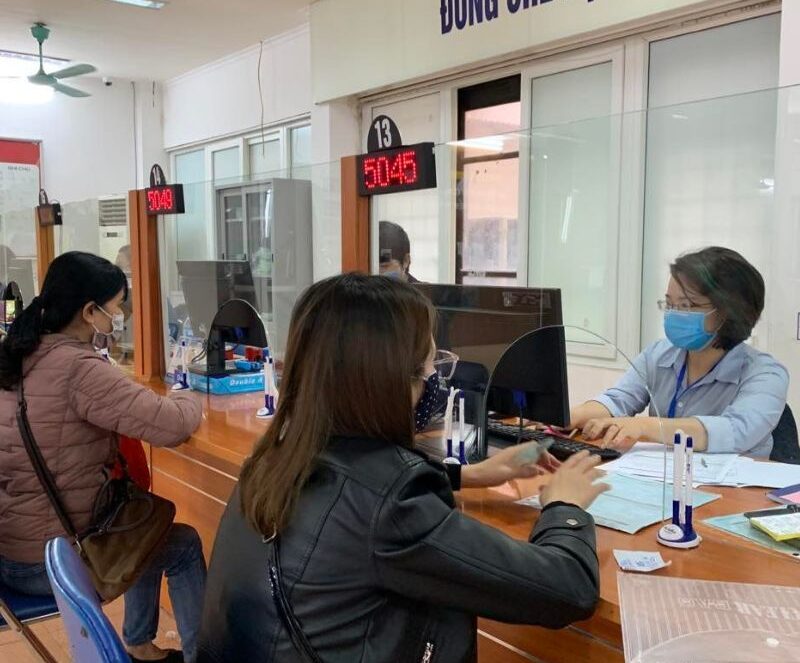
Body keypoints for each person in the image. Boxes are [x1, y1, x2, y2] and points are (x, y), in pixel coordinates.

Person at [197, 273, 608, 663]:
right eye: (429, 370)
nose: (435, 384)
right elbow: (568, 588)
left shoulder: (275, 456)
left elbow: (352, 485)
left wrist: (469, 475)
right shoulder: (392, 506)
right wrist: (564, 507)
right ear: (384, 383)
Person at [0, 251, 206, 663]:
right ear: (89, 311)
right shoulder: (78, 367)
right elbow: (171, 425)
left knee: (141, 521)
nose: (120, 317)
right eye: (116, 307)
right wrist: (189, 394)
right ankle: (203, 656)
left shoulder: (17, 354)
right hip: (54, 560)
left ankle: (140, 645)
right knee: (181, 544)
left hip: (12, 552)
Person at [570, 246, 788, 456]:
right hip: (663, 475)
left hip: (736, 480)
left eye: (685, 306)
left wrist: (645, 426)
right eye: (668, 304)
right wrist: (569, 417)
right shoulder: (658, 354)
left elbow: (737, 430)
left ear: (728, 312)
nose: (673, 314)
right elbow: (618, 400)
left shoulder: (766, 374)